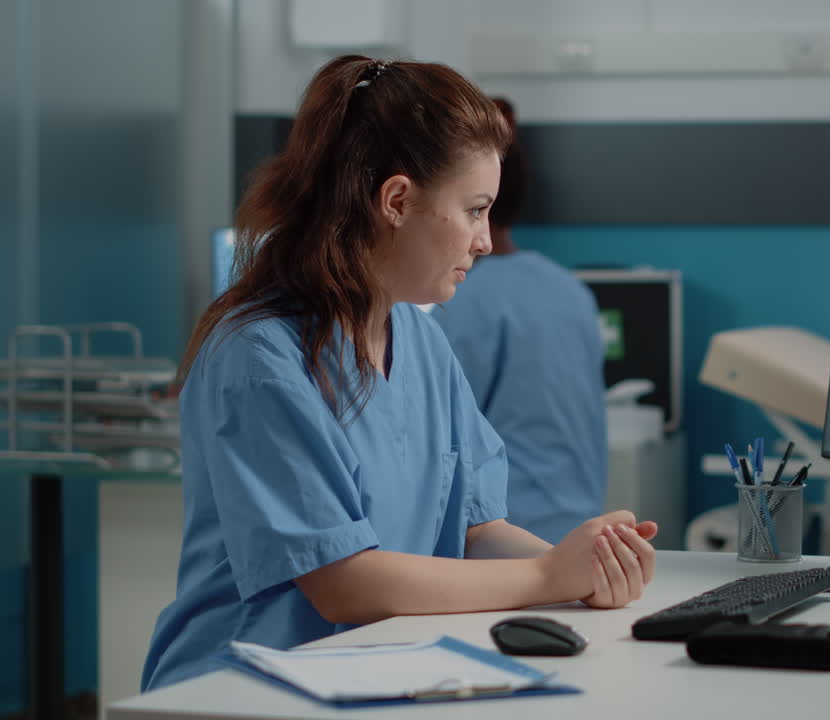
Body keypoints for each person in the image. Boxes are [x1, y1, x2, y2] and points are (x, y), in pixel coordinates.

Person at [141, 56, 657, 691]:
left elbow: (475, 528)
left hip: (373, 670)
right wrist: (550, 578)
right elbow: (342, 583)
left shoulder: (417, 337)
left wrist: (590, 566)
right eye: (474, 210)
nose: (486, 240)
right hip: (241, 688)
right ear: (397, 200)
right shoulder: (258, 356)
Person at [433, 98, 607, 544]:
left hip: (505, 538)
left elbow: (441, 447)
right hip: (576, 531)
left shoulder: (464, 302)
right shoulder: (571, 291)